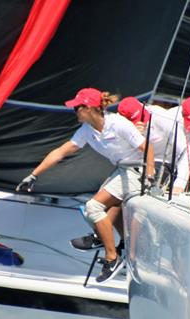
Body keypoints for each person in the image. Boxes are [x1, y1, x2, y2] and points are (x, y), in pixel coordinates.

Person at [15, 88, 155, 283]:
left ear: (89, 108)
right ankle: (105, 239)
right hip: (122, 170)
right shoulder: (87, 131)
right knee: (98, 209)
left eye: (76, 108)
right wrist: (33, 175)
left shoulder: (118, 124)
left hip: (136, 172)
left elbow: (147, 148)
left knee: (93, 207)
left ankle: (111, 258)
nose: (74, 112)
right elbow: (60, 152)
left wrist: (149, 176)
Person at [118, 96, 190, 193]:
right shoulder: (119, 122)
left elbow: (186, 151)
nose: (142, 121)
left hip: (163, 162)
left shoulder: (161, 117)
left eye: (142, 117)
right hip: (136, 162)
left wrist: (179, 184)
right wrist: (133, 136)